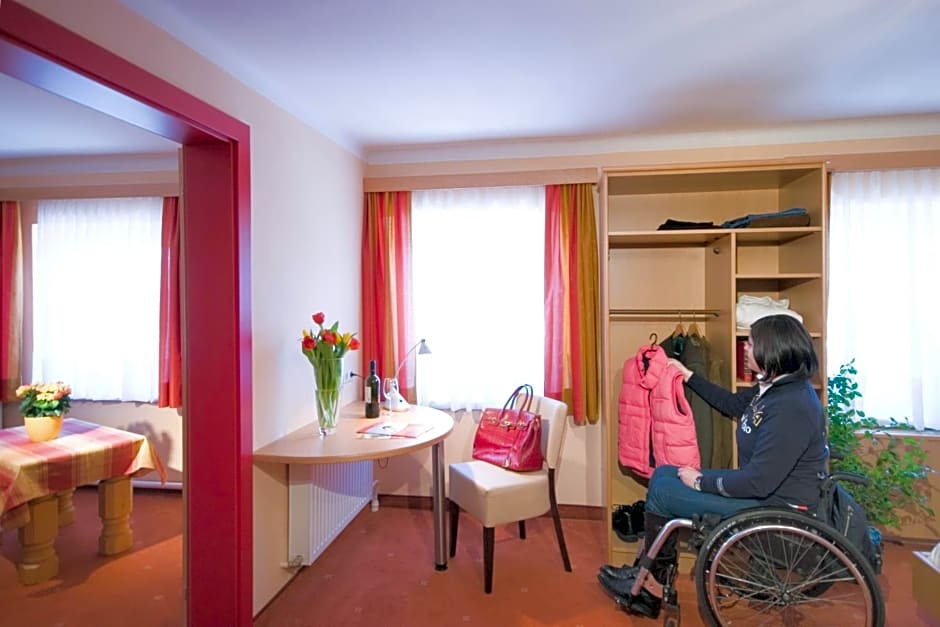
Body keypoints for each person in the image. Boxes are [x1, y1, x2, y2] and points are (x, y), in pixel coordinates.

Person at [598, 314, 828, 619]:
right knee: (663, 473)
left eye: (752, 343)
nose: (746, 348)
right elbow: (732, 404)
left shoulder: (791, 407)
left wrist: (699, 482)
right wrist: (688, 376)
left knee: (664, 493)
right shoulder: (775, 389)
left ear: (772, 351)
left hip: (773, 504)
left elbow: (759, 482)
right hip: (760, 489)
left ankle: (649, 588)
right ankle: (648, 577)